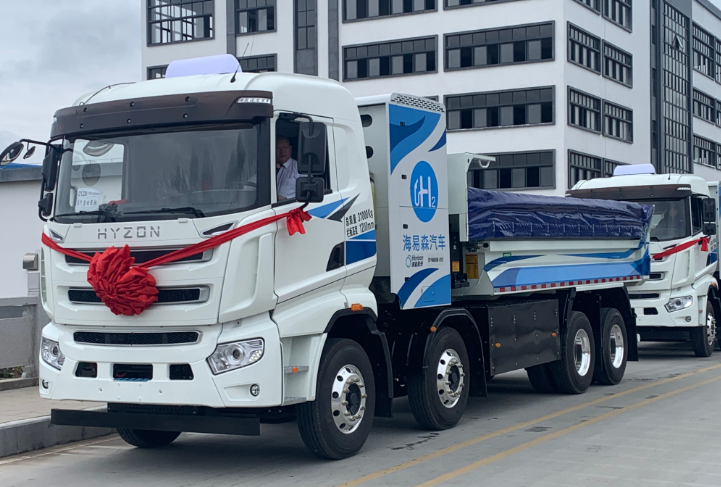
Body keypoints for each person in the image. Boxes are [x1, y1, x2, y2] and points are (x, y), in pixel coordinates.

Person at [276, 136, 300, 200]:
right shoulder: (266, 168)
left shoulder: (299, 168)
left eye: (285, 147)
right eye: (278, 148)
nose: (282, 151)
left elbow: (307, 193)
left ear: (290, 149)